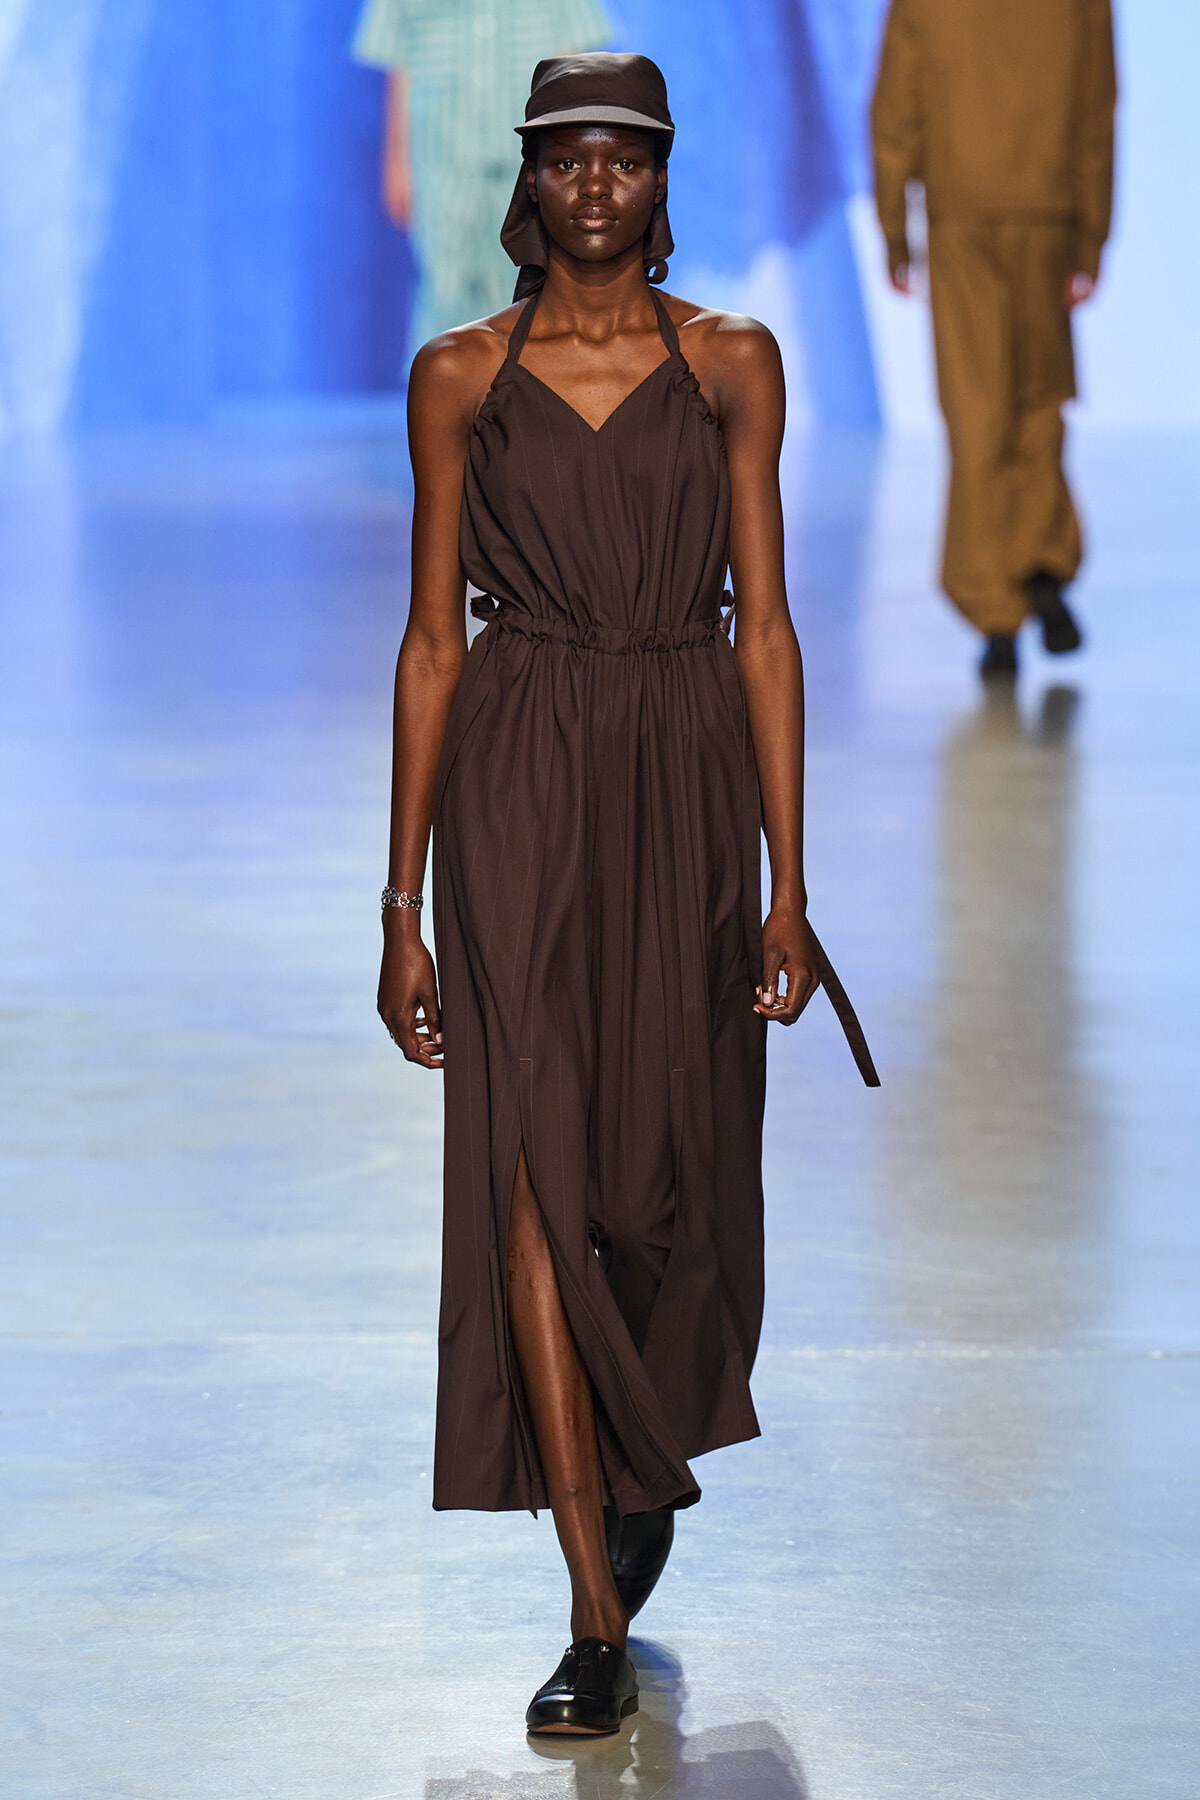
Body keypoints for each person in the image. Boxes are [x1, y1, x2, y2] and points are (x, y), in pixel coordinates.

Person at [377, 52, 878, 1738]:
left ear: (662, 179)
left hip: (682, 765)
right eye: (570, 158)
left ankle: (640, 1446)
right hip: (518, 772)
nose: (597, 184)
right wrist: (400, 904)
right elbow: (431, 641)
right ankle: (592, 1604)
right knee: (532, 1162)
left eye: (627, 158)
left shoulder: (731, 361)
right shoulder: (460, 376)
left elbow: (769, 626)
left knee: (669, 1174)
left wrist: (790, 881)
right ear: (531, 180)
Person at [871, 0, 1116, 679]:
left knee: (976, 405)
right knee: (1040, 396)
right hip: (1047, 205)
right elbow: (1097, 107)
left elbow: (896, 105)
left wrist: (894, 227)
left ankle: (995, 612)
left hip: (962, 208)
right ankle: (1042, 560)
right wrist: (1092, 234)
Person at [352, 0, 612, 349]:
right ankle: (440, 379)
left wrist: (576, 161)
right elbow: (401, 64)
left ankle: (522, 379)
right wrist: (397, 160)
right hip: (441, 155)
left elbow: (576, 61)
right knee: (444, 288)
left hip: (531, 158)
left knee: (532, 286)